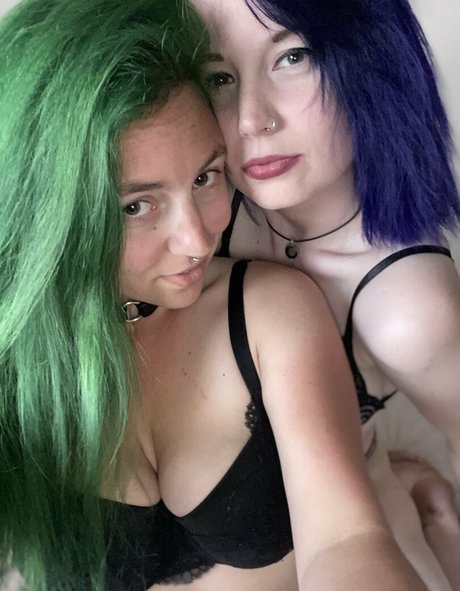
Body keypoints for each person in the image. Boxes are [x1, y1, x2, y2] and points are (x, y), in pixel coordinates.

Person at [0, 0, 431, 590]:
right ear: (45, 211)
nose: (198, 239)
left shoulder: (272, 310)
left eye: (205, 177)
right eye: (136, 206)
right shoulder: (17, 357)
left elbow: (347, 538)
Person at [189, 0, 460, 589]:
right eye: (220, 78)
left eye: (294, 56)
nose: (251, 120)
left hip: (361, 533)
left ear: (373, 60)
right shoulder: (199, 209)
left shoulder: (407, 309)